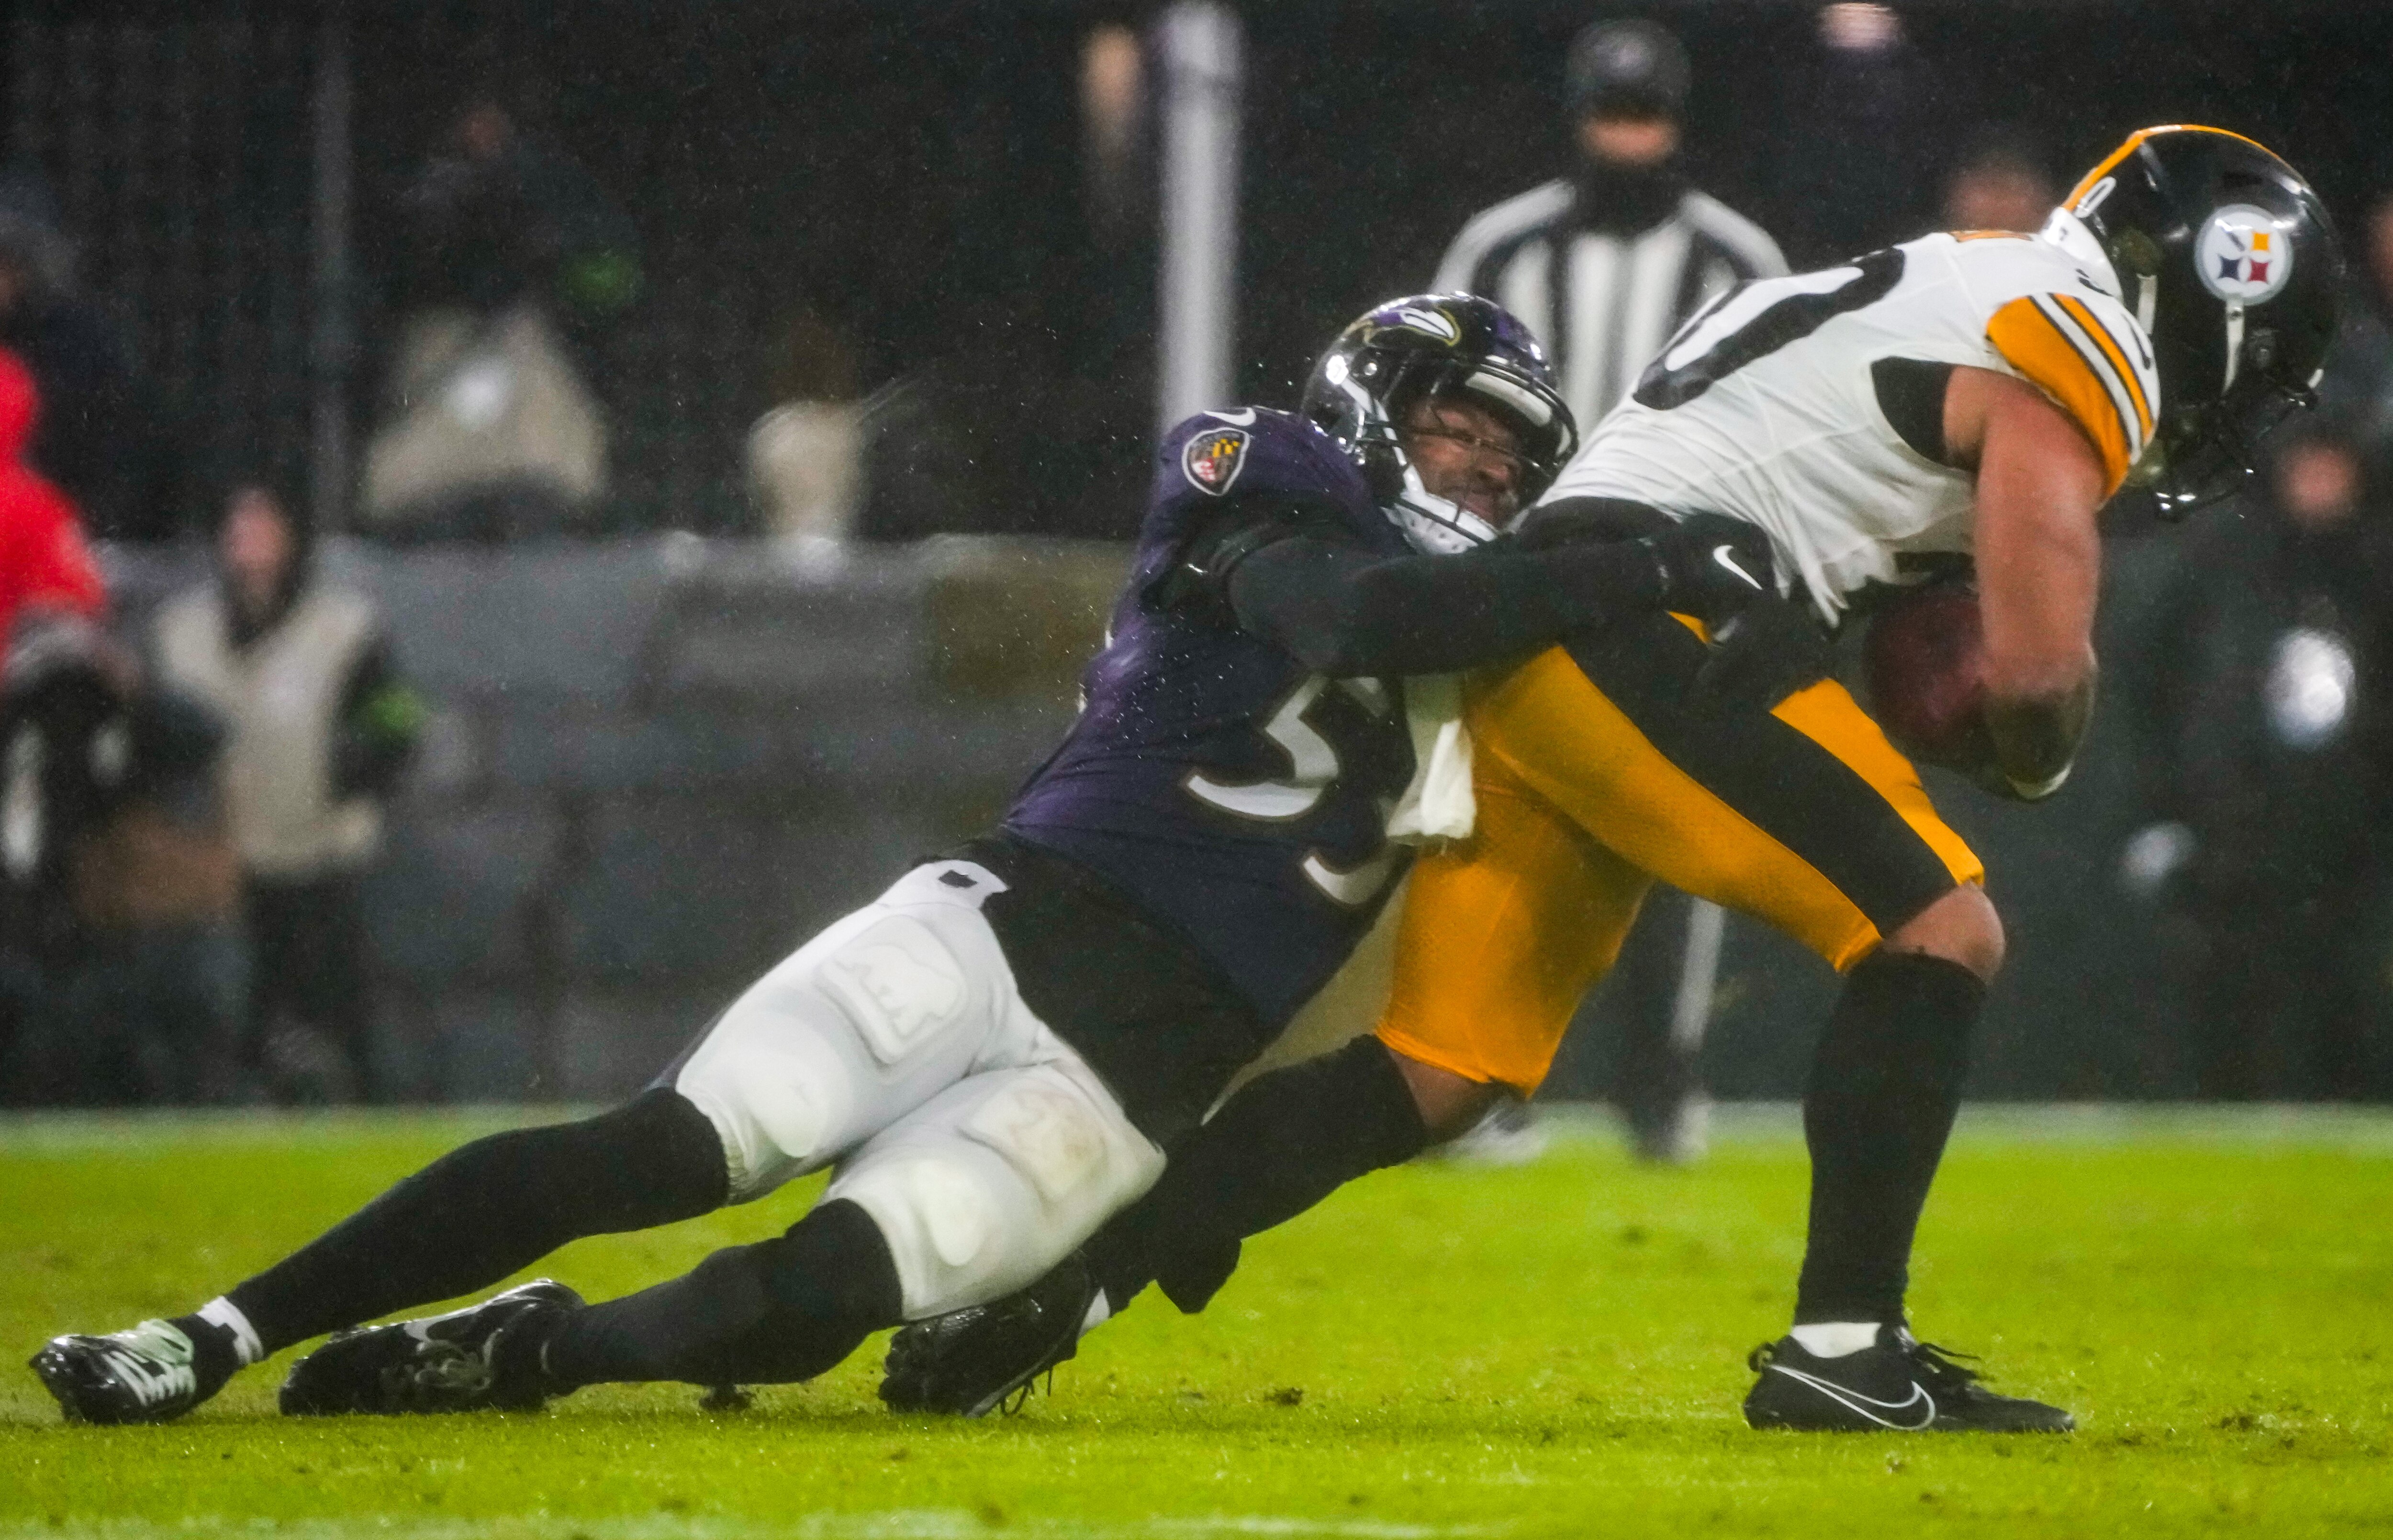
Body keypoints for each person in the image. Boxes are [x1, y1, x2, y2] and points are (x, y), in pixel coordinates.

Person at [30, 294, 1775, 1425]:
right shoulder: (1261, 473)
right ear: (1377, 398)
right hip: (1004, 931)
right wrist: (1638, 563)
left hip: (1137, 1079)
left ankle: (525, 1346)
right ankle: (208, 1334)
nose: (1483, 473)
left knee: (808, 1312)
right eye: (1462, 430)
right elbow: (1357, 614)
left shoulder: (1512, 639)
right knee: (674, 1147)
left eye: (1512, 462)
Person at [884, 127, 2345, 1435]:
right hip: (1655, 613)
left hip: (1551, 622)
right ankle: (1847, 1348)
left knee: (1438, 1071)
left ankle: (1061, 1284)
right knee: (1939, 927)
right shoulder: (2075, 332)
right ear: (2211, 290)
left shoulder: (1963, 279)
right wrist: (2034, 749)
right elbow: (2032, 682)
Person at [1432, 14, 1788, 1162]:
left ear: (1676, 127)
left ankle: (1661, 1083)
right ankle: (1481, 1078)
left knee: (1676, 837)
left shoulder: (1737, 261)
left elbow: (1778, 427)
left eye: (1645, 121)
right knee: (1500, 829)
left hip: (1669, 584)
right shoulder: (1499, 250)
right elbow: (1430, 406)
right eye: (1610, 119)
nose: (1627, 145)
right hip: (1519, 580)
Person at [2122, 412, 2393, 1098]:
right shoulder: (2222, 566)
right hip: (2236, 834)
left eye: (2335, 466)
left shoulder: (2375, 574)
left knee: (2349, 997)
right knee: (2230, 993)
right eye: (2308, 464)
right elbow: (2159, 691)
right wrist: (2163, 813)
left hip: (2351, 840)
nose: (2321, 483)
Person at [150, 480, 424, 1103]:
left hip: (322, 851)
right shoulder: (183, 631)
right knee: (229, 1012)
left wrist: (352, 768)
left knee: (339, 1005)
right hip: (222, 862)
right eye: (239, 525)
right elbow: (156, 734)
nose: (250, 542)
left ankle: (359, 1104)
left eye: (265, 524)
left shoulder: (344, 627)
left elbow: (398, 720)